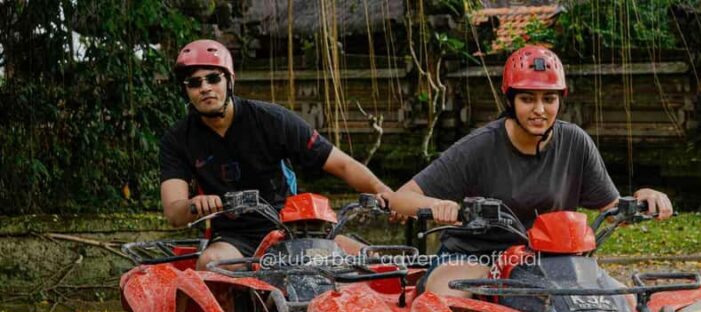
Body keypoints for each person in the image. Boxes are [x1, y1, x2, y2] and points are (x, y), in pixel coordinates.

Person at [382, 45, 673, 297]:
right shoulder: (479, 146)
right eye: (527, 98)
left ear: (560, 100)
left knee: (622, 303)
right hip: (477, 256)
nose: (539, 110)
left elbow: (612, 209)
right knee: (446, 297)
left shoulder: (575, 142)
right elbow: (400, 198)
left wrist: (643, 197)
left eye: (549, 99)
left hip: (552, 259)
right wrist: (438, 206)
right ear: (510, 100)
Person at [160, 39, 392, 269]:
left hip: (291, 229)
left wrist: (385, 192)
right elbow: (174, 213)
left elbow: (342, 164)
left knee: (375, 262)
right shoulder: (178, 139)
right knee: (212, 263)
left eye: (213, 78)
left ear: (230, 80)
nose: (205, 88)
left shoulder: (272, 120)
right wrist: (194, 205)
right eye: (194, 82)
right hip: (235, 238)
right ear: (186, 90)